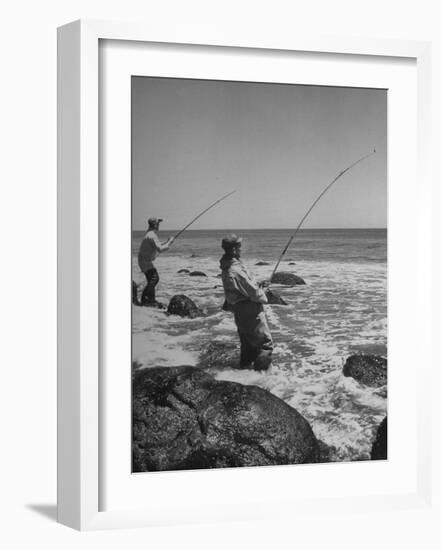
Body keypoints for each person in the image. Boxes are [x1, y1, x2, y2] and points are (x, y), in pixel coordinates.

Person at [220, 234, 273, 370]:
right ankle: (262, 378)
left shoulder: (227, 267)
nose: (241, 249)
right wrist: (263, 293)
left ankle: (244, 373)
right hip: (250, 309)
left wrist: (258, 284)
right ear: (233, 250)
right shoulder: (235, 270)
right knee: (264, 344)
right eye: (239, 247)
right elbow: (255, 294)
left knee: (247, 344)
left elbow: (242, 287)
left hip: (239, 311)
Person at [138, 217, 174, 307]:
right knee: (154, 279)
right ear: (154, 225)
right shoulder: (152, 235)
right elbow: (160, 249)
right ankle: (147, 300)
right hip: (145, 262)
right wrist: (170, 242)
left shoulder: (149, 234)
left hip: (143, 261)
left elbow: (156, 245)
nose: (159, 225)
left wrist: (166, 242)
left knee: (151, 280)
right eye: (158, 224)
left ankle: (149, 300)